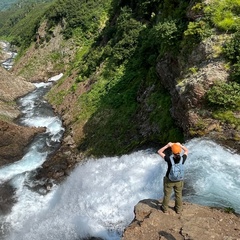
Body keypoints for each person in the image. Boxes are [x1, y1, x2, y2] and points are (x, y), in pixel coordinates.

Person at [157, 142, 188, 214]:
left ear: (172, 151)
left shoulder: (169, 159)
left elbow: (159, 151)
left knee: (167, 194)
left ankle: (164, 208)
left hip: (169, 179)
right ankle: (178, 209)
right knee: (179, 194)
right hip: (179, 180)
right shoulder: (182, 159)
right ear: (180, 151)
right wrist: (180, 145)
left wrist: (167, 145)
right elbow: (186, 151)